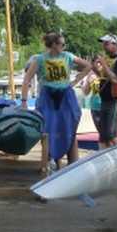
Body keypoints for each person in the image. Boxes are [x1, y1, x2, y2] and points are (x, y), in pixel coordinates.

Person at [21, 32, 90, 168]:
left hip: (66, 96)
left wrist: (75, 81)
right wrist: (23, 101)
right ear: (53, 45)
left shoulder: (68, 56)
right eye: (62, 44)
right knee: (48, 129)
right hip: (47, 98)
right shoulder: (40, 59)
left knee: (70, 126)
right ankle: (49, 163)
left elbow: (88, 66)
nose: (64, 46)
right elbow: (26, 80)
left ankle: (72, 164)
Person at [94, 34, 117, 149]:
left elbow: (115, 79)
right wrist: (94, 67)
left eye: (106, 43)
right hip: (104, 100)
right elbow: (103, 77)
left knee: (112, 135)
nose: (103, 46)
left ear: (115, 44)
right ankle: (104, 159)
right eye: (103, 43)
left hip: (116, 101)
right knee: (103, 136)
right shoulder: (107, 59)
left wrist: (103, 64)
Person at [80, 64, 103, 132]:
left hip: (104, 106)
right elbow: (85, 91)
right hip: (94, 107)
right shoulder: (91, 76)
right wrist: (87, 80)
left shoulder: (107, 74)